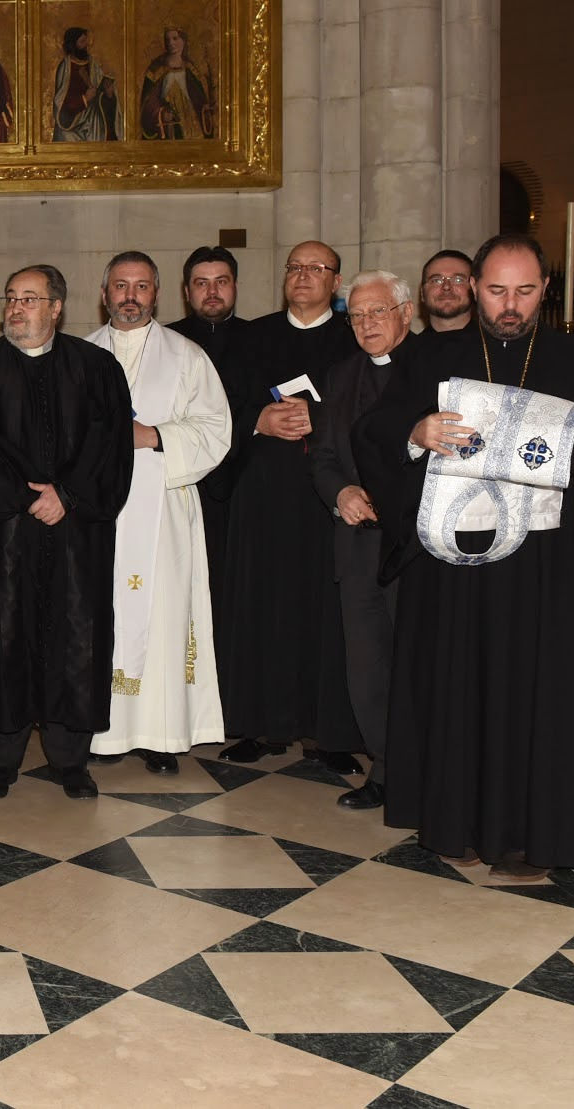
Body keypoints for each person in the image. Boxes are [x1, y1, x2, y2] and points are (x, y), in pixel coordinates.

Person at [355, 235, 574, 877]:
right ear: (473, 288)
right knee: (457, 691)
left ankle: (536, 838)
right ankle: (456, 825)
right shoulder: (430, 358)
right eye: (496, 291)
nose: (510, 306)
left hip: (546, 572)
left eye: (524, 292)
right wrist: (415, 433)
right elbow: (374, 430)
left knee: (540, 702)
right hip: (454, 571)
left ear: (545, 290)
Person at [0, 265, 133, 799]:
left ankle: (70, 758)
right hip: (2, 528)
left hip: (76, 532)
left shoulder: (97, 368)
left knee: (75, 636)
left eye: (29, 299)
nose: (16, 308)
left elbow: (112, 445)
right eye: (11, 298)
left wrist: (67, 496)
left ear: (57, 308)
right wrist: (25, 497)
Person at [218, 242, 361, 769]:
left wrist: (317, 423)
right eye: (295, 268)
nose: (303, 276)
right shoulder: (253, 337)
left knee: (325, 612)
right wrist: (258, 419)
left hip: (325, 499)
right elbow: (217, 406)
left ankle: (330, 734)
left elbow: (371, 409)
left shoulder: (354, 339)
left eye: (316, 269)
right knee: (262, 607)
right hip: (262, 496)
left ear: (336, 281)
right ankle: (260, 725)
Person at [85, 254, 230, 773]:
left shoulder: (186, 356)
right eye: (120, 286)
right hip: (97, 517)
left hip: (164, 511)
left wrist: (155, 436)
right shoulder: (81, 354)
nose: (130, 295)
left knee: (164, 617)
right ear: (104, 294)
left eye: (141, 286)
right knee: (99, 616)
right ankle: (102, 733)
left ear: (157, 294)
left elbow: (217, 428)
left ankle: (159, 735)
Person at [309, 270, 414, 811]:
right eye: (357, 316)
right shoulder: (341, 374)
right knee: (367, 668)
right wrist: (341, 492)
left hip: (416, 549)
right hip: (356, 549)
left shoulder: (435, 369)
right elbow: (323, 458)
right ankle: (385, 771)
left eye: (378, 312)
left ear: (406, 313)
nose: (367, 324)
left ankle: (421, 773)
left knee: (416, 667)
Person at [170, 245, 248, 629]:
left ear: (235, 287)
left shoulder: (261, 339)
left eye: (221, 282)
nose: (212, 291)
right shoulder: (164, 343)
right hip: (185, 489)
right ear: (186, 291)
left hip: (247, 492)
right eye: (201, 283)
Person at [140, 26, 214, 139]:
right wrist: (161, 114)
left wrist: (206, 109)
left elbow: (200, 100)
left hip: (193, 128)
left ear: (183, 41)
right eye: (167, 40)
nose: (171, 43)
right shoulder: (155, 70)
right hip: (169, 129)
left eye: (175, 38)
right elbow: (147, 104)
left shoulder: (191, 70)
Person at [51, 26, 118, 142]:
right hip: (70, 126)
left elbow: (100, 92)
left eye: (86, 41)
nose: (86, 45)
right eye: (82, 42)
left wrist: (108, 93)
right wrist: (84, 99)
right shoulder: (65, 67)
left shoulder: (93, 65)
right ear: (73, 44)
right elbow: (60, 101)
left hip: (91, 123)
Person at [419, 248, 473, 333]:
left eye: (458, 280)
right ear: (422, 293)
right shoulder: (410, 346)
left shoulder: (497, 345)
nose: (446, 287)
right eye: (436, 280)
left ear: (475, 289)